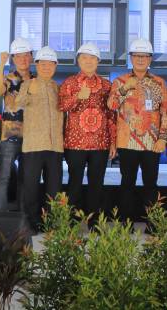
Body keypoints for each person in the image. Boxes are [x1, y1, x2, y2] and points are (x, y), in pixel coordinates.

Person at [107, 39, 167, 224]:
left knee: (151, 184)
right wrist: (126, 88)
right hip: (127, 142)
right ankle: (126, 224)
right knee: (127, 183)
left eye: (144, 56)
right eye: (137, 56)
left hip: (152, 142)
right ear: (131, 58)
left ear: (150, 59)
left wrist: (162, 138)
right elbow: (111, 105)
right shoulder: (120, 81)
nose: (140, 59)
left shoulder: (159, 82)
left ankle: (153, 225)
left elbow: (165, 112)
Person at [59, 42, 115, 219]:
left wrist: (113, 142)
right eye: (84, 57)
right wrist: (77, 97)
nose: (88, 61)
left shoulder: (106, 85)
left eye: (92, 58)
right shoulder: (69, 82)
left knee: (96, 184)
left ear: (98, 61)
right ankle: (72, 223)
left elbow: (111, 115)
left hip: (100, 143)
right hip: (75, 143)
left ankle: (94, 223)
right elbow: (61, 106)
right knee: (74, 183)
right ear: (78, 60)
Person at [15, 46, 63, 231]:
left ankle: (51, 223)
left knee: (54, 188)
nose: (46, 67)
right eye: (42, 64)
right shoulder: (28, 84)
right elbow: (18, 104)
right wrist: (29, 91)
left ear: (55, 66)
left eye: (50, 64)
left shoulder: (57, 87)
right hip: (33, 144)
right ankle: (31, 223)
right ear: (36, 65)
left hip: (55, 145)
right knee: (31, 187)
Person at [0, 38, 34, 212]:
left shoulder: (36, 80)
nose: (23, 59)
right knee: (4, 176)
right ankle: (2, 215)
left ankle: (23, 214)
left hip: (31, 135)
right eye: (18, 56)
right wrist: (1, 64)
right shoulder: (8, 78)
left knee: (26, 178)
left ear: (31, 57)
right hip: (9, 134)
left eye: (26, 56)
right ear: (13, 59)